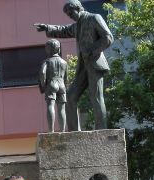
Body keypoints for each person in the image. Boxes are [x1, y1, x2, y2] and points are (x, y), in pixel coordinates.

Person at [34, 0, 113, 131]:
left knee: (96, 97)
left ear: (79, 8)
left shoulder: (94, 18)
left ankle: (101, 130)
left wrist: (92, 50)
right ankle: (74, 131)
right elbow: (63, 30)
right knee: (70, 97)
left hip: (95, 64)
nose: (70, 16)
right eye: (68, 14)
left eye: (71, 13)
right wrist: (47, 27)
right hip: (83, 66)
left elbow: (108, 37)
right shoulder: (77, 26)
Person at [39, 39, 68, 132]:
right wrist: (65, 87)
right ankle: (63, 130)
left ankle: (51, 131)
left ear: (49, 49)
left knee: (50, 105)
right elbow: (66, 77)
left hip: (51, 83)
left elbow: (42, 73)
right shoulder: (64, 62)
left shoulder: (47, 61)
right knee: (61, 108)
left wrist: (43, 85)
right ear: (58, 49)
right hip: (62, 84)